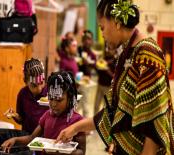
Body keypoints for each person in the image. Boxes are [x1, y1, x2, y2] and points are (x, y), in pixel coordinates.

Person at [56, 0, 174, 154]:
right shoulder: (128, 53)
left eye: (102, 28)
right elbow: (114, 111)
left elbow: (154, 123)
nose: (102, 34)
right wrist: (75, 128)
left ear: (117, 23)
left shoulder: (147, 55)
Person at [1, 71, 86, 155]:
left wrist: (62, 153)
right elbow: (32, 138)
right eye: (51, 99)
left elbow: (81, 151)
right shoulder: (47, 115)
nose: (53, 104)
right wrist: (15, 140)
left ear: (70, 98)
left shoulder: (77, 121)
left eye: (59, 100)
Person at [4, 58, 49, 134]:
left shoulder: (50, 92)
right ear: (25, 82)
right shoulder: (22, 94)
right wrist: (14, 115)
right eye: (34, 86)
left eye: (41, 83)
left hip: (46, 137)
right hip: (27, 136)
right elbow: (22, 120)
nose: (39, 89)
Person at [94, 42, 116, 114]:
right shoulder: (103, 59)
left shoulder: (116, 61)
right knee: (96, 105)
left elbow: (115, 76)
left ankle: (103, 122)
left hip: (108, 87)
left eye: (109, 48)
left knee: (106, 107)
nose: (107, 50)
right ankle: (94, 122)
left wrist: (107, 70)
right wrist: (97, 66)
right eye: (106, 48)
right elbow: (98, 71)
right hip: (100, 84)